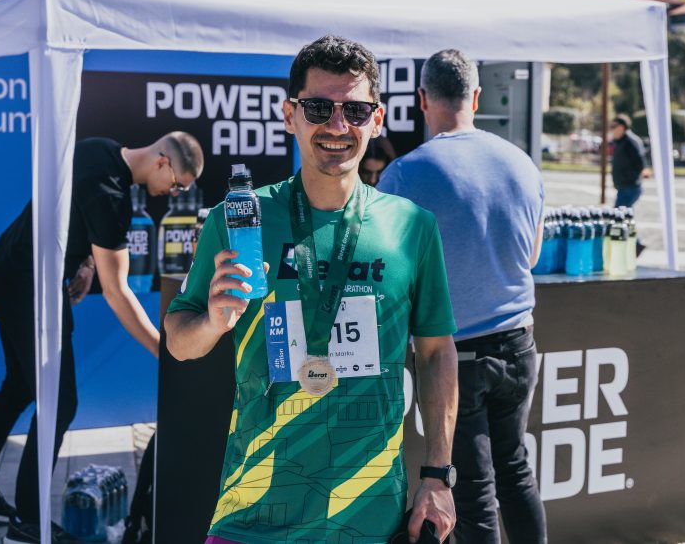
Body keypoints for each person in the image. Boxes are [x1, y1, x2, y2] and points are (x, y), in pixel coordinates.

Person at [165, 35, 459, 544]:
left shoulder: (413, 227)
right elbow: (178, 341)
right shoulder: (239, 219)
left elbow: (436, 353)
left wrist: (438, 475)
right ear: (290, 115)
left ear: (377, 119)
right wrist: (211, 322)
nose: (338, 126)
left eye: (355, 110)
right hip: (252, 516)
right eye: (319, 108)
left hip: (369, 519)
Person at [0, 133, 204, 544]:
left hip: (6, 271)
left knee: (19, 386)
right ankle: (28, 522)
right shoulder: (112, 198)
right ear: (162, 162)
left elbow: (67, 213)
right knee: (60, 401)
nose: (172, 194)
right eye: (177, 185)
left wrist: (83, 262)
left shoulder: (95, 149)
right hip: (30, 290)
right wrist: (167, 350)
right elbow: (118, 292)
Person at [378, 49, 547, 544]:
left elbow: (387, 271)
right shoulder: (521, 163)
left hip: (455, 355)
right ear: (475, 97)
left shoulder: (405, 174)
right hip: (519, 344)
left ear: (422, 99)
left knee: (472, 492)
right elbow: (532, 255)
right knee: (515, 471)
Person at [609, 114, 648, 209]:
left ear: (622, 127)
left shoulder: (630, 141)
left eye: (614, 126)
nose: (612, 129)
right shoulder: (620, 141)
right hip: (624, 187)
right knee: (623, 214)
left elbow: (639, 160)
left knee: (619, 214)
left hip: (630, 187)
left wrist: (643, 170)